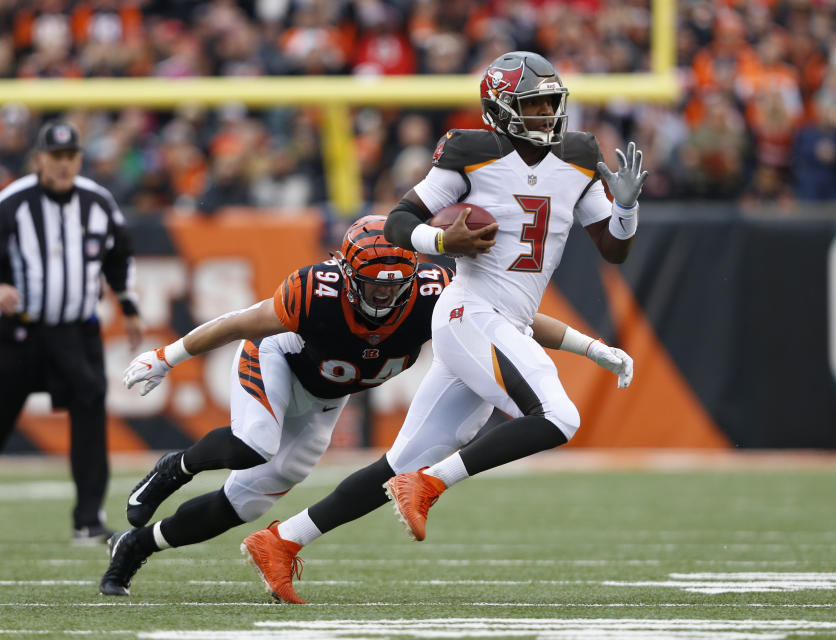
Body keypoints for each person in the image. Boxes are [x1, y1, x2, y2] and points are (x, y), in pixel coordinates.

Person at [239, 50, 645, 604]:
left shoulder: (577, 156)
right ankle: (430, 485)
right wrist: (442, 242)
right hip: (469, 312)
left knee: (399, 461)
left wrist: (626, 210)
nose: (548, 112)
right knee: (558, 416)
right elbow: (401, 220)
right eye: (535, 103)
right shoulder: (470, 152)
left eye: (553, 100)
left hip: (505, 322)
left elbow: (614, 250)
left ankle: (281, 540)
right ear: (500, 110)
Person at [99, 215, 626, 597]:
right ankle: (176, 467)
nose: (382, 296)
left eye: (393, 285)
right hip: (279, 359)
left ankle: (138, 546)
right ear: (345, 272)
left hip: (326, 400)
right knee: (254, 442)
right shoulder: (313, 290)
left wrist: (591, 345)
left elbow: (517, 322)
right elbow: (239, 322)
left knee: (246, 505)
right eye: (372, 283)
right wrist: (166, 356)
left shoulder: (433, 291)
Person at [0, 121, 143, 545]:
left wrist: (129, 304)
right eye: (55, 157)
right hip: (19, 334)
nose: (63, 165)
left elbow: (120, 254)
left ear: (78, 159)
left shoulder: (97, 202)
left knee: (90, 413)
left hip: (75, 332)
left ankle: (89, 520)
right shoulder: (13, 202)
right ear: (39, 158)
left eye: (70, 157)